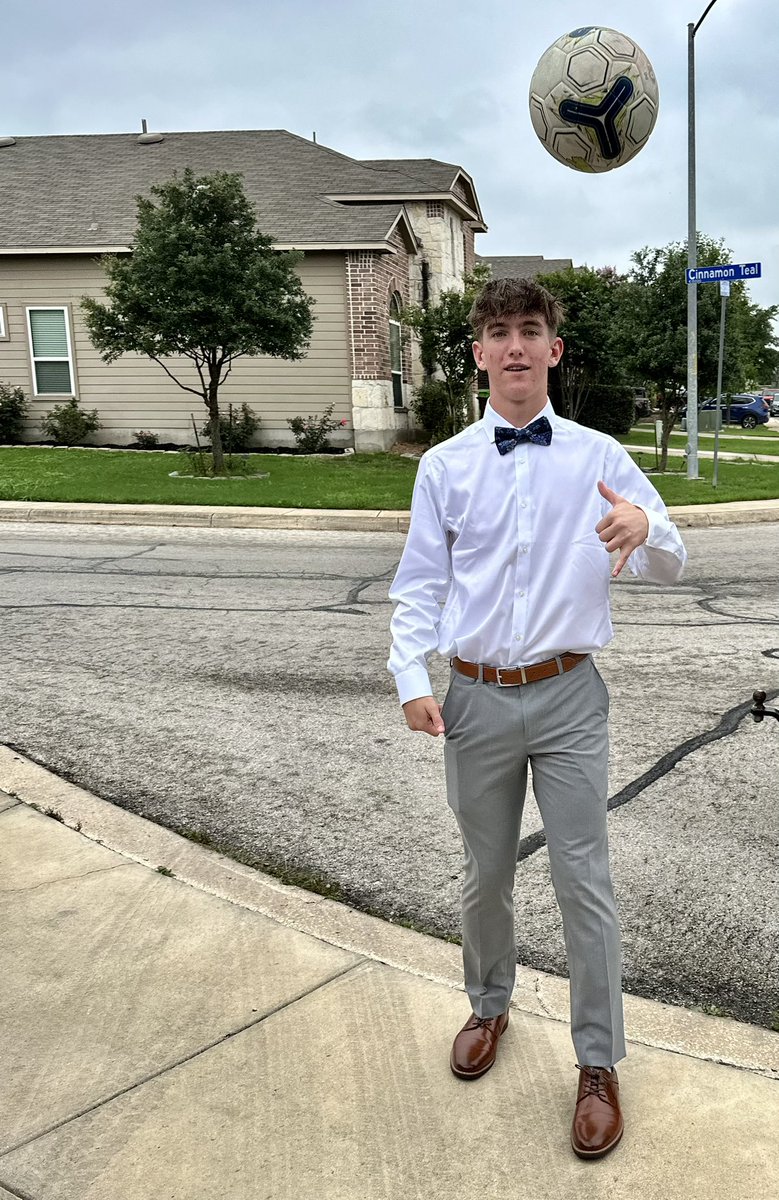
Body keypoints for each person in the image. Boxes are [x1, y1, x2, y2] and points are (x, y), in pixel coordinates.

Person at [387, 277, 687, 1160]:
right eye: (497, 333)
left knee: (581, 879)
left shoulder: (599, 455)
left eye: (530, 330)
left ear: (553, 350)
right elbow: (418, 585)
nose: (514, 346)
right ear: (477, 354)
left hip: (568, 697)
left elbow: (667, 557)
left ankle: (597, 1063)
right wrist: (412, 674)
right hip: (473, 696)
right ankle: (488, 1006)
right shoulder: (444, 466)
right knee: (485, 875)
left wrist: (644, 522)